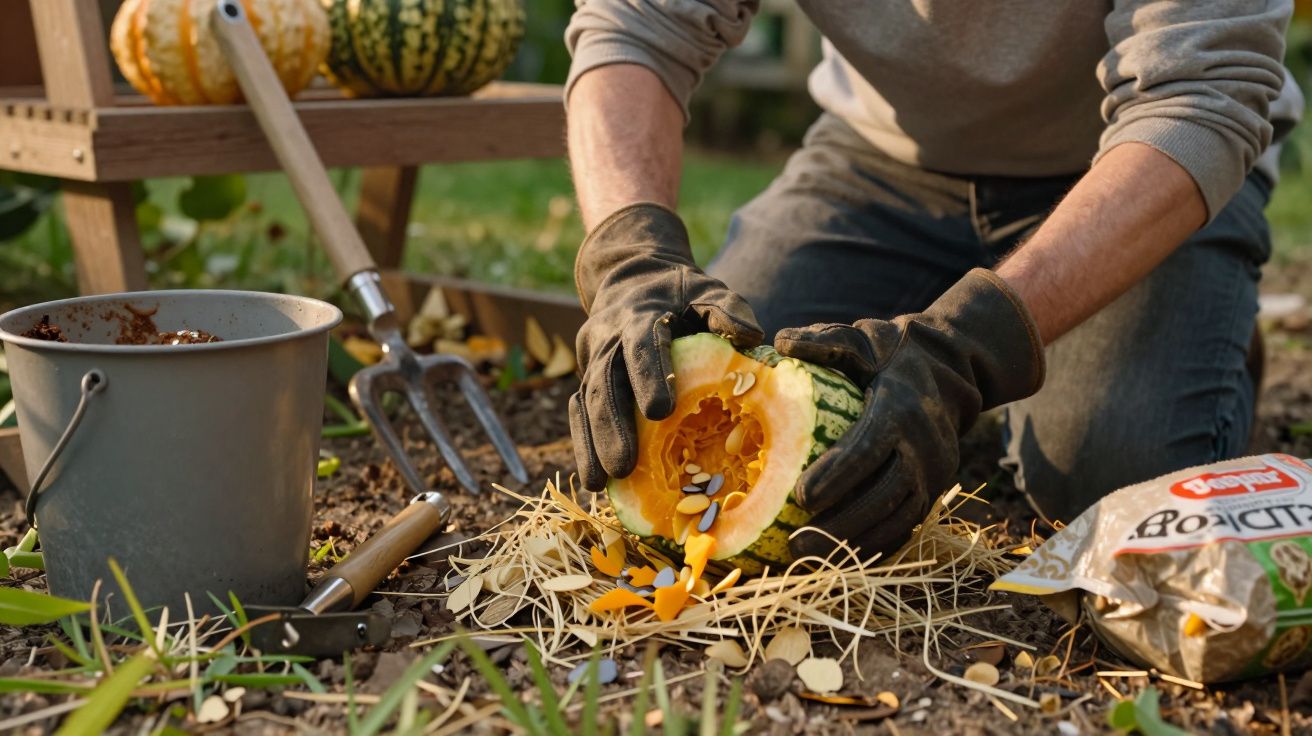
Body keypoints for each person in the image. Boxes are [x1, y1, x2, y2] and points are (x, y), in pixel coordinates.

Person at [562, 1, 1304, 559]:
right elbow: (634, 27)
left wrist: (965, 349)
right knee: (714, 386)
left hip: (1138, 171)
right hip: (879, 165)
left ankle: (1203, 338)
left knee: (1114, 480)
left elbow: (1201, 98)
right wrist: (631, 258)